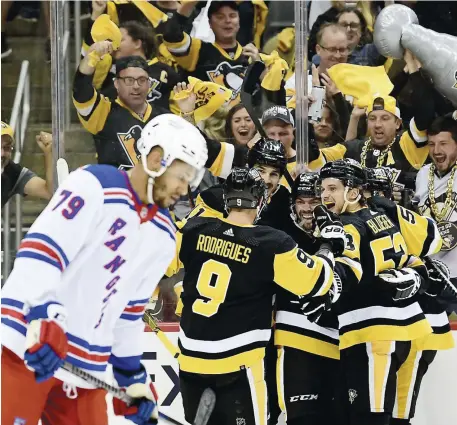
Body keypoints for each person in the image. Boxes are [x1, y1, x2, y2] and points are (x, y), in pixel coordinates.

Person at [1, 114, 208, 425]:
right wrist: (44, 316)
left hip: (85, 371)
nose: (185, 188)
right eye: (182, 176)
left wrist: (132, 376)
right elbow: (40, 253)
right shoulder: (94, 184)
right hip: (27, 346)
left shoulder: (165, 237)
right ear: (155, 158)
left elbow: (128, 313)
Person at [166, 166, 346, 425]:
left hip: (191, 361)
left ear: (227, 199)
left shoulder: (194, 229)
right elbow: (317, 282)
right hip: (239, 365)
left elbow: (157, 263)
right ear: (260, 201)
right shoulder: (271, 243)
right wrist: (330, 245)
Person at [319, 159, 432, 425]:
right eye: (323, 189)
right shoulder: (382, 218)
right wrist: (420, 278)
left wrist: (325, 285)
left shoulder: (349, 226)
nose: (325, 195)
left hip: (374, 335)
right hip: (402, 331)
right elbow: (415, 261)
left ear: (355, 192)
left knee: (370, 416)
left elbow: (347, 269)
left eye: (333, 188)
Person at [364, 167, 454, 425]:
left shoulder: (405, 219)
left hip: (416, 328)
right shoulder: (361, 221)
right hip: (385, 329)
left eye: (381, 192)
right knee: (376, 407)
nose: (375, 198)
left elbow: (431, 244)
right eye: (371, 191)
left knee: (398, 411)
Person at [275, 171, 363, 425]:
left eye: (313, 202)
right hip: (297, 342)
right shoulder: (281, 238)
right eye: (300, 202)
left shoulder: (349, 231)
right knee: (302, 418)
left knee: (339, 417)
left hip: (340, 343)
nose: (306, 209)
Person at [73, 43, 170, 169]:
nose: (136, 86)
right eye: (129, 80)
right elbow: (81, 91)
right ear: (117, 84)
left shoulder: (164, 118)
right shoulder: (104, 112)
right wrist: (91, 58)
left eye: (142, 80)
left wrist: (188, 114)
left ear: (149, 84)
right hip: (116, 187)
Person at [162, 1, 260, 107]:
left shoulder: (252, 55)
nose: (227, 21)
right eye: (220, 17)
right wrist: (189, 4)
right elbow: (171, 35)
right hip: (207, 121)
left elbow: (272, 94)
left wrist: (260, 68)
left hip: (245, 120)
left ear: (239, 21)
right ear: (210, 23)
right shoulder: (198, 50)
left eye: (232, 16)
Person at [186, 138, 291, 233]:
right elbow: (185, 235)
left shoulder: (285, 202)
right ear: (248, 168)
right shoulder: (214, 199)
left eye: (274, 174)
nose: (266, 180)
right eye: (260, 171)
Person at [82, 19, 181, 111]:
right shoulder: (107, 70)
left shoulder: (165, 71)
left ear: (137, 43)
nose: (114, 45)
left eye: (120, 40)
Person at [415, 115, 457, 310]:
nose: (437, 151)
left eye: (443, 144)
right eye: (431, 144)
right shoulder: (423, 174)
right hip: (431, 273)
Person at [1, 122, 53, 207]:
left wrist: (49, 152)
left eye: (6, 147)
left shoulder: (11, 171)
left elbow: (49, 192)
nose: (2, 154)